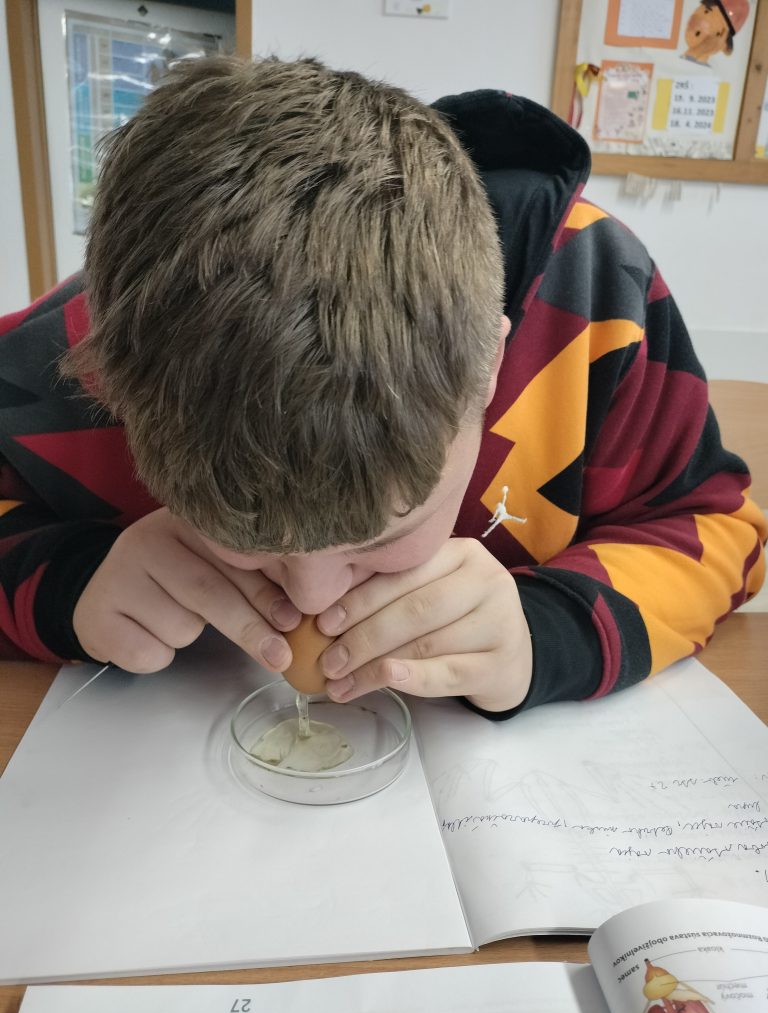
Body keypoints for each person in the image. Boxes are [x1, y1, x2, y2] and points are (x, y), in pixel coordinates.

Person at [0, 56, 764, 719]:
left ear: (490, 368)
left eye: (383, 539)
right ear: (108, 389)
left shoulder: (596, 299)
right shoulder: (94, 344)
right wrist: (68, 586)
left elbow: (720, 530)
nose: (310, 600)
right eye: (248, 541)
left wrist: (546, 632)